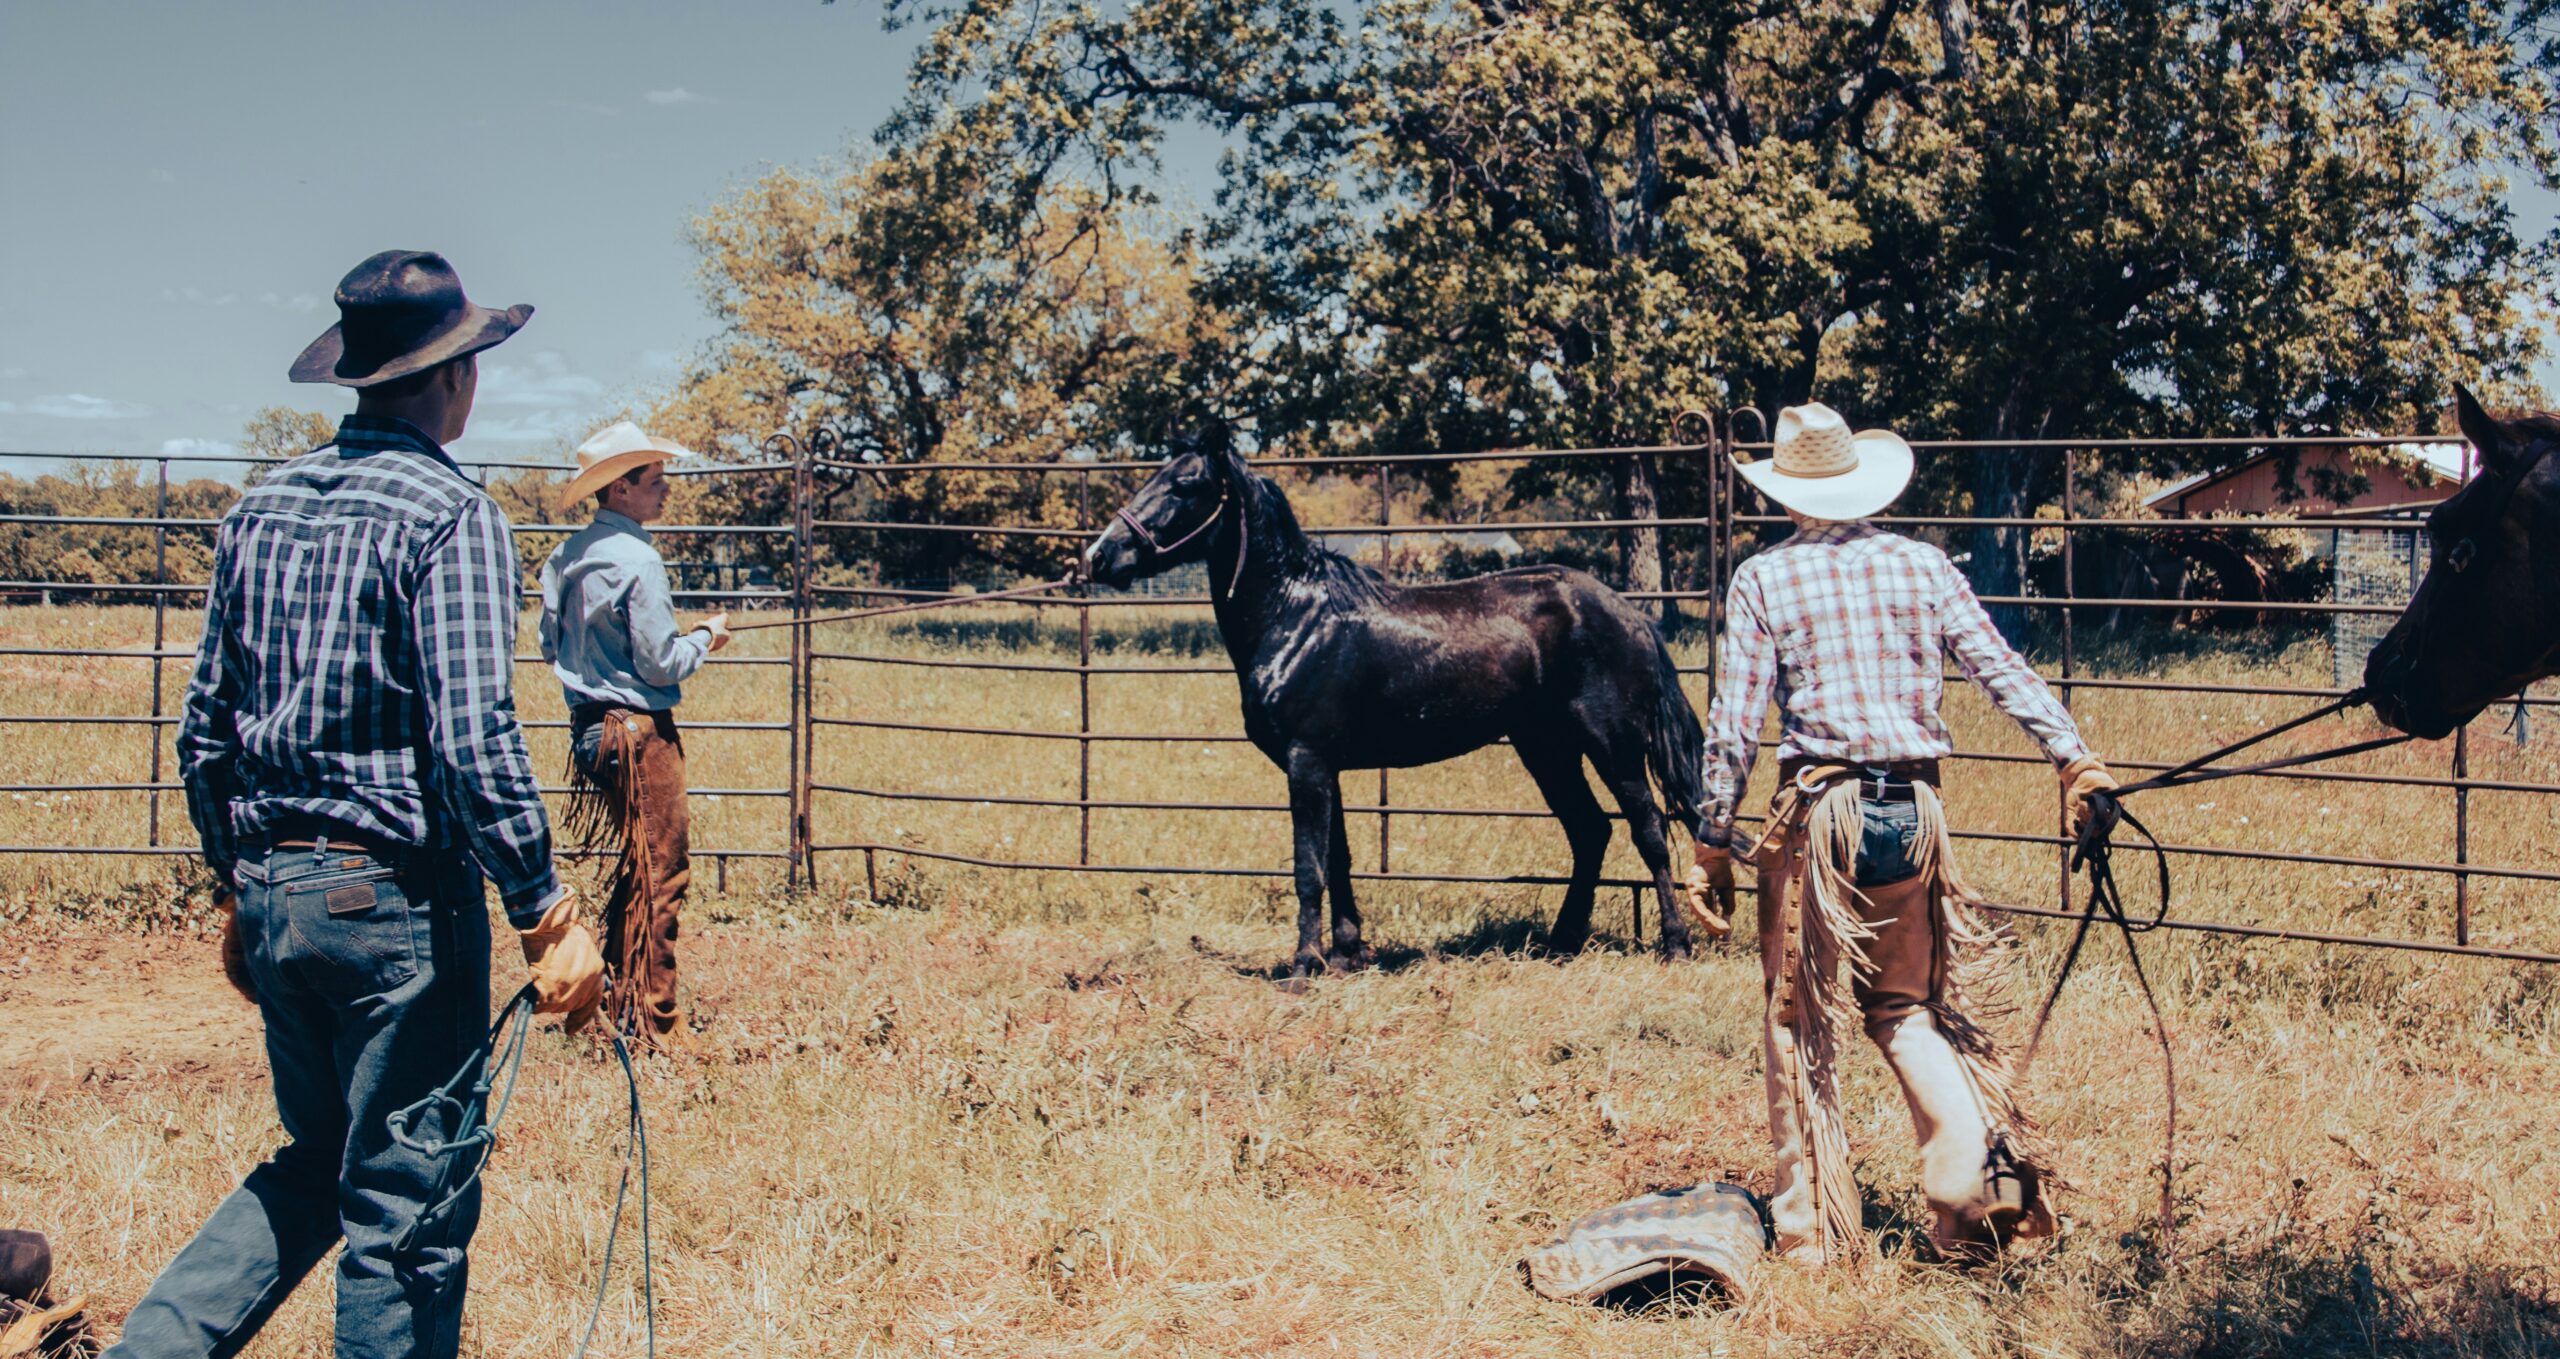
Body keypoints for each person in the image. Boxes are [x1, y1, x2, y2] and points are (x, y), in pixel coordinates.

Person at [113, 250, 605, 1358]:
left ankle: (150, 1350)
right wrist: (542, 907)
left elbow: (204, 730)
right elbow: (473, 729)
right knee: (408, 1199)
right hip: (394, 899)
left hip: (277, 879)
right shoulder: (449, 515)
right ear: (454, 378)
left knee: (318, 1154)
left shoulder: (258, 509)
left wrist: (243, 883)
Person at [1687, 402, 2119, 1266]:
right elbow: (2000, 666)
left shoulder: (1765, 578)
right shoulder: (1924, 567)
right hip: (1912, 817)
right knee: (1908, 1011)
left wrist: (1710, 840)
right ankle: (1977, 1202)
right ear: (1862, 481)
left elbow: (1734, 725)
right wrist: (2075, 761)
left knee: (1798, 1018)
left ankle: (1812, 1237)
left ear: (1785, 491)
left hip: (1820, 817)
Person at [540, 421, 731, 1051]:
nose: (665, 491)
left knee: (636, 866)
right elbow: (658, 664)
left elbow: (548, 643)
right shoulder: (639, 559)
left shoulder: (566, 557)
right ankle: (653, 1023)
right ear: (620, 489)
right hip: (637, 732)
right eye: (654, 480)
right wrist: (705, 639)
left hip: (591, 730)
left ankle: (618, 1002)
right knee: (661, 874)